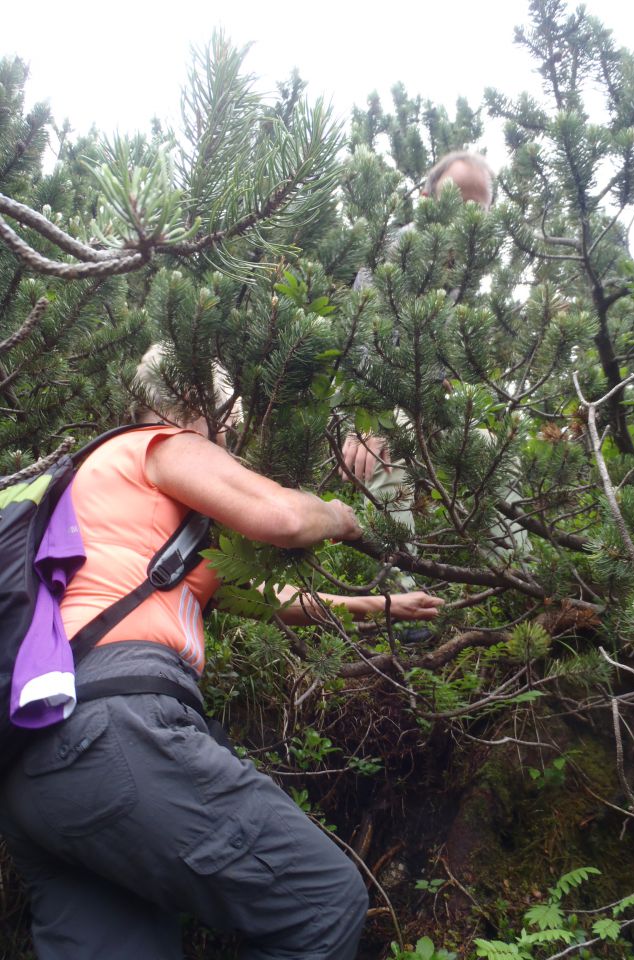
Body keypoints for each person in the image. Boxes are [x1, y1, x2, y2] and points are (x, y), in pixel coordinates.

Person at [0, 346, 443, 960]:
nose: (232, 435)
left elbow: (265, 598)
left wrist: (380, 606)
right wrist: (340, 515)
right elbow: (283, 517)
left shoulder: (121, 516)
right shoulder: (161, 445)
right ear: (193, 402)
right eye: (227, 419)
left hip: (38, 777)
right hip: (116, 732)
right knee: (321, 903)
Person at [341, 151, 525, 561]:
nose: (465, 216)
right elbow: (360, 344)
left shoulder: (464, 276)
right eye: (453, 200)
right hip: (369, 400)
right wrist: (363, 422)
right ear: (426, 199)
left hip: (426, 405)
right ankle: (400, 598)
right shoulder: (395, 250)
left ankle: (518, 576)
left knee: (494, 448)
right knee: (390, 447)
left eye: (477, 208)